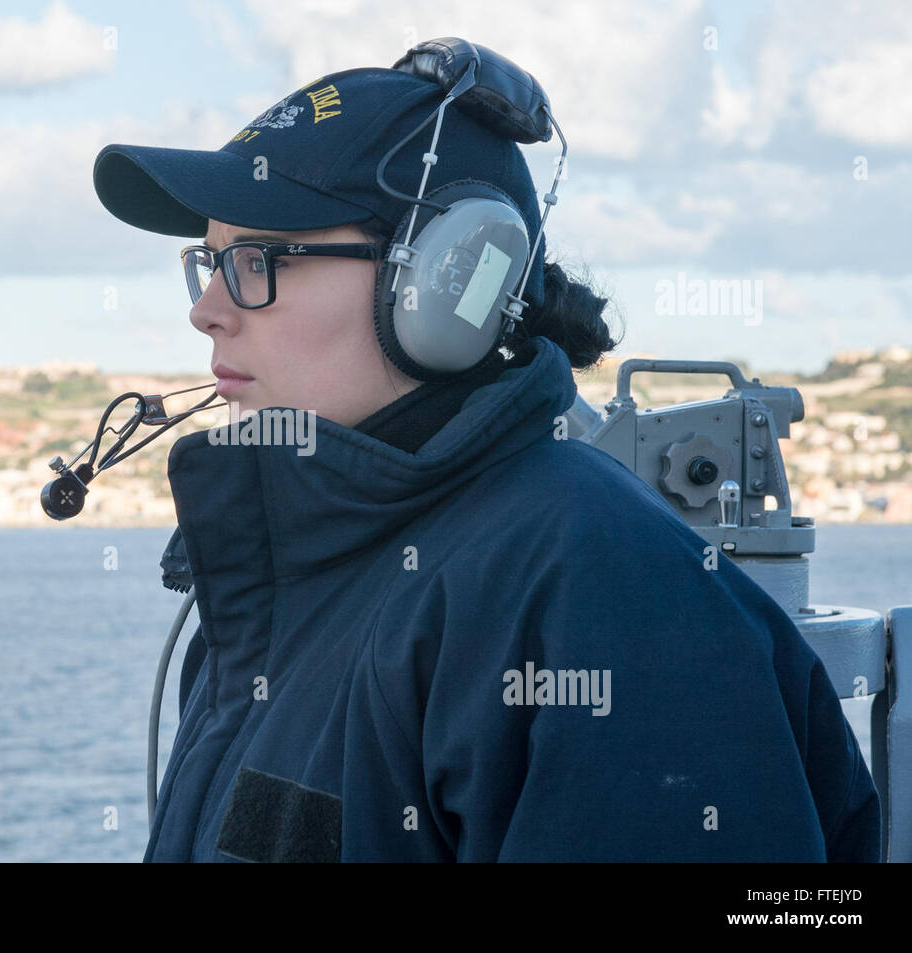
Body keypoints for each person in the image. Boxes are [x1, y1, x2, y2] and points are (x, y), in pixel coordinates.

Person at [91, 55, 881, 862]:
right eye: (208, 259)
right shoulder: (283, 586)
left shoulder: (596, 585)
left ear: (444, 276)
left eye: (255, 261)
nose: (206, 309)